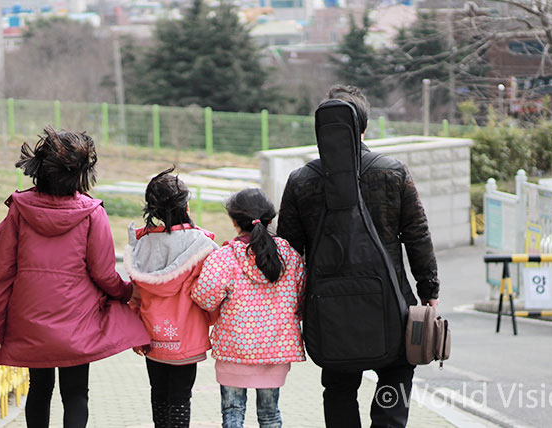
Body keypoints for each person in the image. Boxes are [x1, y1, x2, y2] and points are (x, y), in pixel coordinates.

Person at [0, 126, 150, 428]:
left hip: (30, 322)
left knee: (39, 389)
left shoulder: (20, 210)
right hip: (78, 323)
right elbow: (103, 273)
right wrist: (127, 293)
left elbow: (2, 274)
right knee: (76, 394)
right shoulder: (92, 214)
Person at [276, 85, 440, 428]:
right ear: (362, 128)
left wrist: (293, 307)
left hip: (328, 308)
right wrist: (428, 290)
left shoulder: (301, 181)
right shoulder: (392, 172)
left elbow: (288, 252)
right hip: (391, 301)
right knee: (395, 376)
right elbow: (417, 236)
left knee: (339, 387)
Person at [192, 188, 306, 428]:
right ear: (270, 218)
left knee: (232, 413)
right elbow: (301, 296)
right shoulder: (289, 256)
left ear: (234, 221)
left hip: (234, 350)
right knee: (270, 414)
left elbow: (205, 299)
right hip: (276, 350)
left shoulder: (223, 258)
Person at [123, 167, 219, 428]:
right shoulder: (201, 245)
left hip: (152, 338)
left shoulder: (141, 245)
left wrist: (135, 332)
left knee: (159, 395)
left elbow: (135, 296)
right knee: (180, 398)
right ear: (186, 206)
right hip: (187, 339)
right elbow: (211, 291)